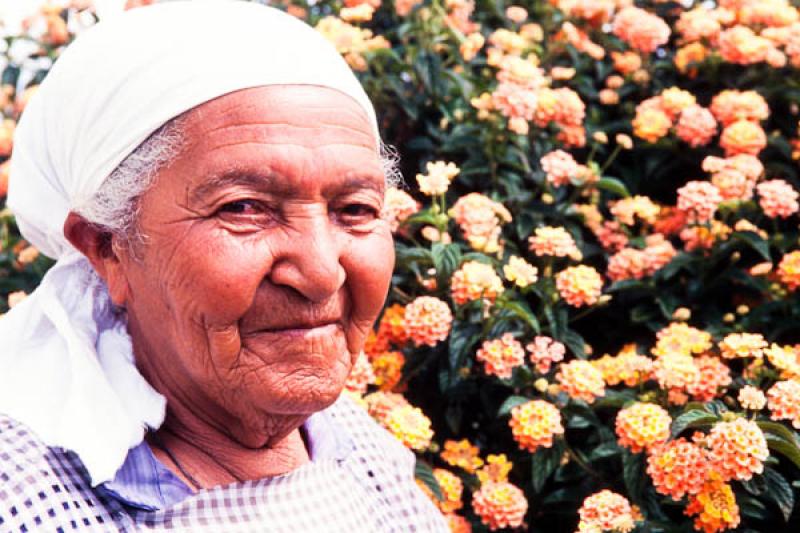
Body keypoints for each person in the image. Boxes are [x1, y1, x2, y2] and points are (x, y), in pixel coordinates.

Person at [0, 2, 448, 531]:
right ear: (108, 247)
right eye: (244, 208)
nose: (323, 272)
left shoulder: (359, 450)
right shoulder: (24, 494)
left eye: (355, 210)